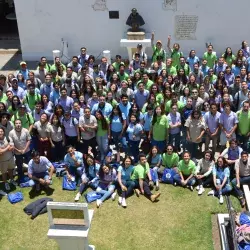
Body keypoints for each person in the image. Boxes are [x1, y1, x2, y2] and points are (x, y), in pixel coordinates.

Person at [9, 119, 31, 183]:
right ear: (14, 124)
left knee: (30, 163)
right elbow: (11, 144)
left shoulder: (26, 130)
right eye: (16, 123)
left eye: (19, 123)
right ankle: (21, 178)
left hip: (27, 150)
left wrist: (24, 149)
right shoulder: (11, 133)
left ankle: (31, 175)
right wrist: (18, 150)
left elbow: (29, 140)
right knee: (19, 165)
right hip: (17, 152)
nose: (18, 125)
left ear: (21, 124)